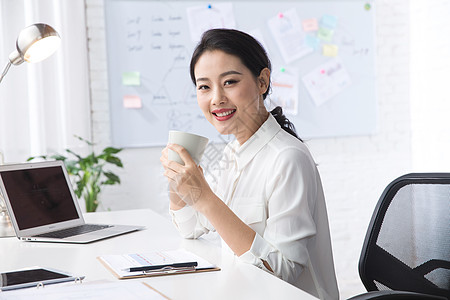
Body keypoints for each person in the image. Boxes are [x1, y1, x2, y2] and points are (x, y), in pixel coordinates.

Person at [160, 28, 339, 300]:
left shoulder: (288, 158)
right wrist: (177, 182)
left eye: (229, 82)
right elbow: (191, 228)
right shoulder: (234, 152)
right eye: (204, 86)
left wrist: (206, 198)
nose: (216, 98)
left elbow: (282, 273)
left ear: (262, 82)